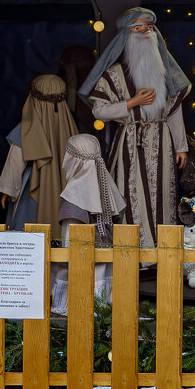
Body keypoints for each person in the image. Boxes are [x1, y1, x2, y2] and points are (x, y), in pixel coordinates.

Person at [78, 7, 191, 248]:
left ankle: (162, 251)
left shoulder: (164, 74)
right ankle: (132, 251)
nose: (145, 33)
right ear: (127, 35)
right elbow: (99, 111)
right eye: (138, 27)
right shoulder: (113, 75)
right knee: (130, 193)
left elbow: (174, 111)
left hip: (161, 142)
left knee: (163, 194)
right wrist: (131, 103)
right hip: (129, 141)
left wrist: (181, 146)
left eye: (149, 28)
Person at [0, 73, 78, 242]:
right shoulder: (72, 129)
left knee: (29, 239)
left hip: (34, 193)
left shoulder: (26, 129)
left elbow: (15, 163)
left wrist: (8, 190)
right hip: (68, 195)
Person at [51, 134, 126, 314]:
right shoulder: (109, 191)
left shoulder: (74, 198)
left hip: (82, 268)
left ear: (75, 161)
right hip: (107, 267)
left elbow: (70, 247)